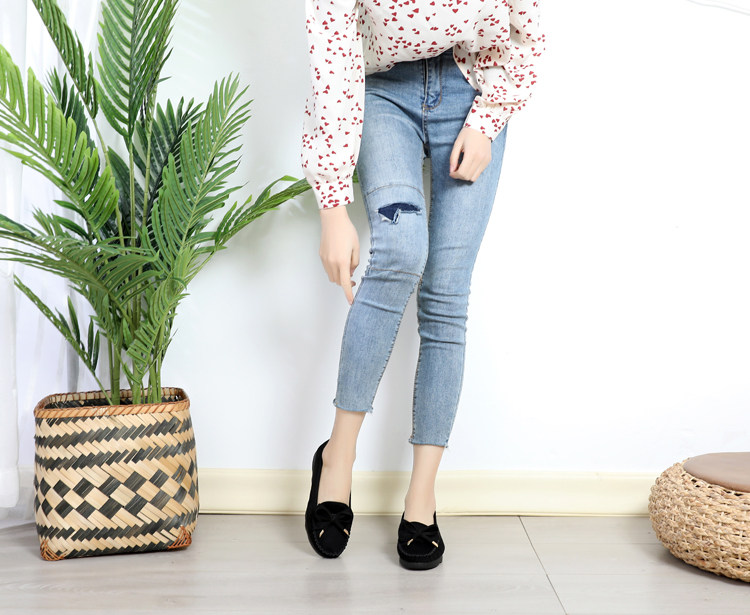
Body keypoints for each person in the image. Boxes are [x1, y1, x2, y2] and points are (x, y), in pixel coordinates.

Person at [300, 0, 546, 570]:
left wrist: (488, 120)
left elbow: (528, 30)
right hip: (381, 90)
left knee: (447, 293)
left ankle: (422, 495)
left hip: (472, 85)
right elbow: (332, 58)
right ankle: (337, 457)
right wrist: (332, 206)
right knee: (399, 252)